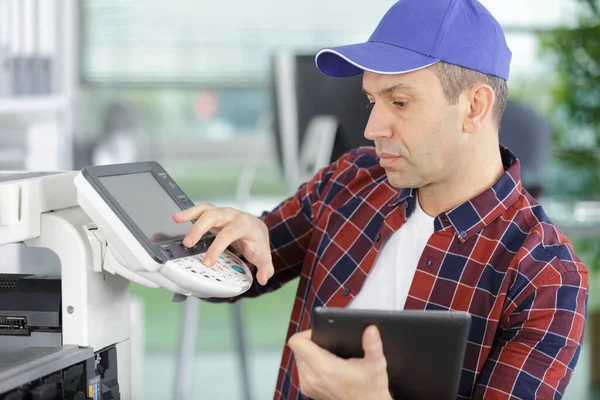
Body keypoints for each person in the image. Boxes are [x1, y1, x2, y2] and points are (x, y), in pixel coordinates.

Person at [173, 0, 589, 398]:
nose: (372, 127)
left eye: (400, 101)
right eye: (372, 100)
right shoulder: (350, 179)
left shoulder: (546, 278)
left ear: (475, 107)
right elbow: (239, 271)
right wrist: (233, 240)